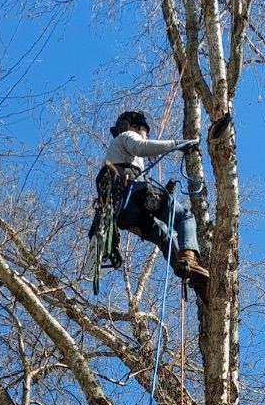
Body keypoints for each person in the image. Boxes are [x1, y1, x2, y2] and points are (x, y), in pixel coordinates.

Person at [88, 109, 209, 299]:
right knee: (184, 216)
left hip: (123, 216)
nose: (146, 135)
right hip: (134, 192)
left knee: (165, 237)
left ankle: (192, 276)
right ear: (136, 127)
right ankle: (189, 259)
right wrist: (177, 145)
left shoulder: (114, 156)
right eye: (145, 131)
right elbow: (141, 147)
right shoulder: (127, 136)